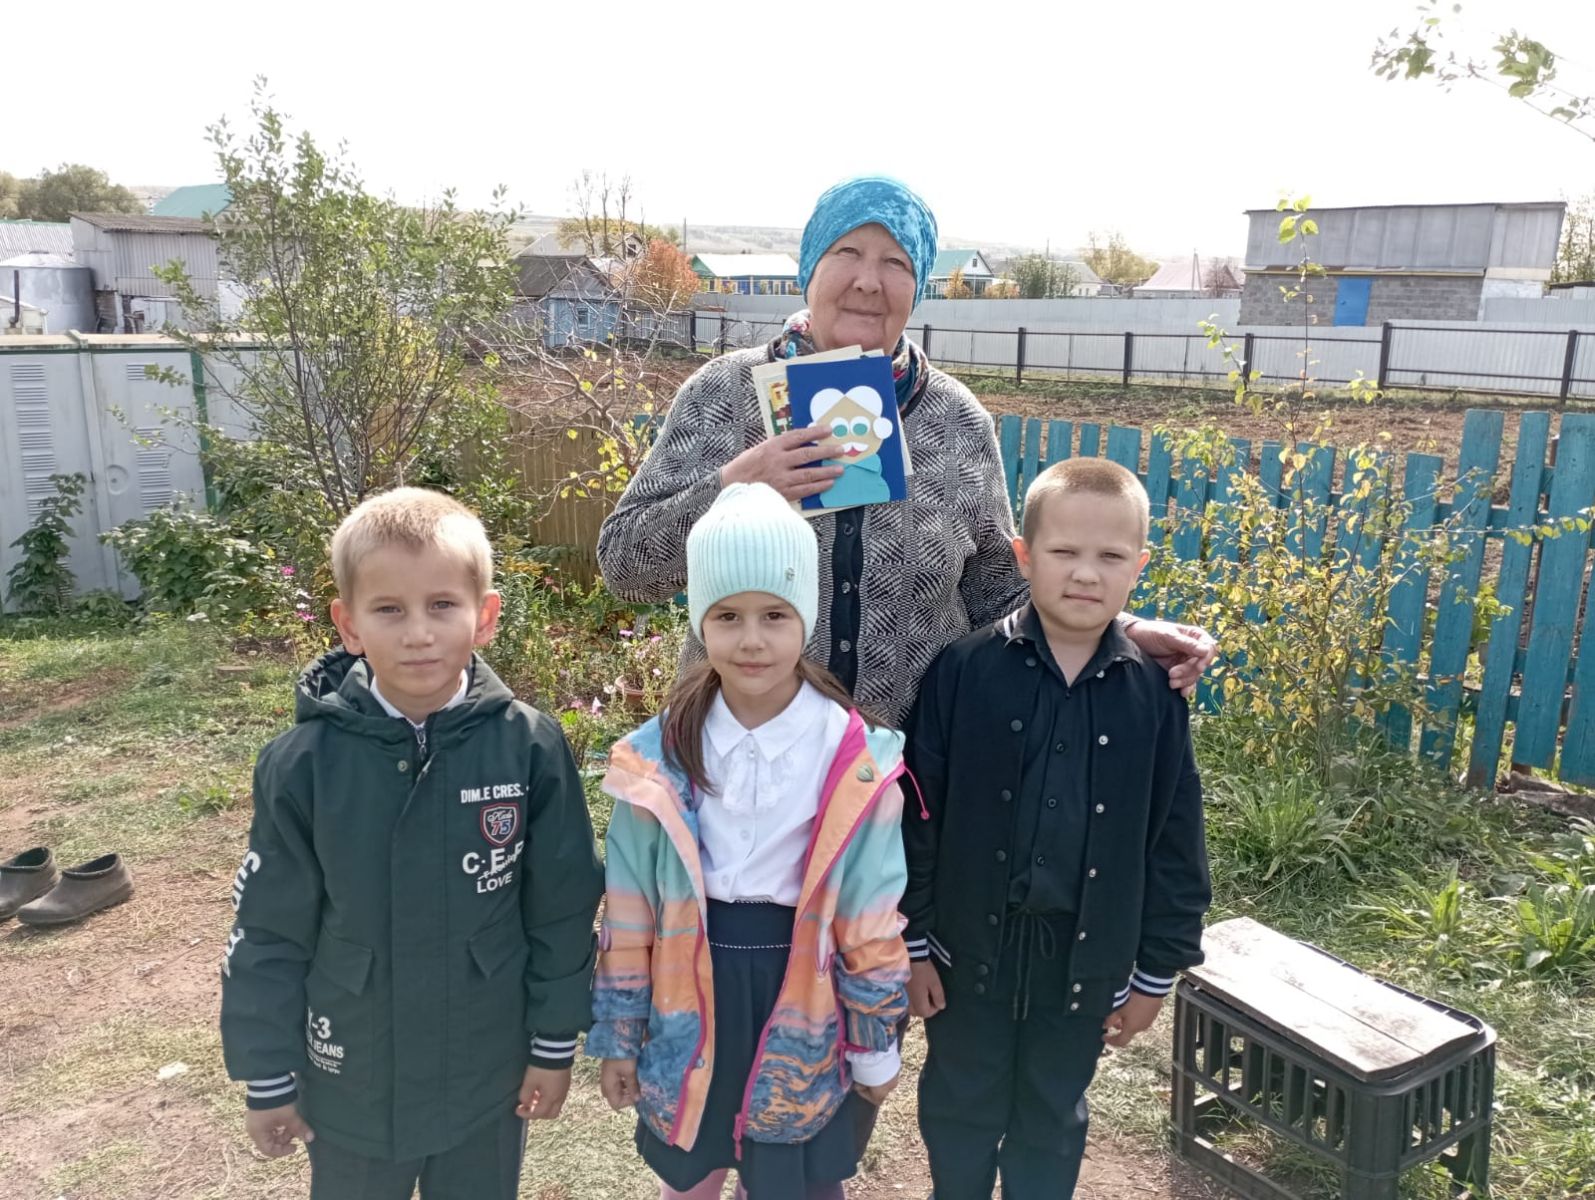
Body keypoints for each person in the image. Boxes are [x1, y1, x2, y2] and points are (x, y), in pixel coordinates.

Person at [597, 174, 1217, 735]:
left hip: (908, 776)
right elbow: (626, 570)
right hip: (737, 758)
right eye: (847, 253)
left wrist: (1122, 631)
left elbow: (1001, 596)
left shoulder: (955, 419)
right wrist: (735, 486)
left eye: (895, 262)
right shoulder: (722, 394)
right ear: (810, 268)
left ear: (917, 287)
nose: (869, 280)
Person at [219, 487, 604, 1200]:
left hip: (485, 1073)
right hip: (352, 1078)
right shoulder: (300, 765)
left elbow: (562, 905)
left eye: (442, 604)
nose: (418, 633)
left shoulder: (529, 746)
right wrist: (267, 1075)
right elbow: (268, 929)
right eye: (389, 610)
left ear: (484, 616)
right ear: (348, 624)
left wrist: (553, 1043)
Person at [589, 482, 910, 1200]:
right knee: (692, 1167)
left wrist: (873, 1037)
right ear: (700, 619)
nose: (752, 639)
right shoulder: (657, 759)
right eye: (727, 616)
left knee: (794, 1178)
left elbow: (870, 910)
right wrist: (619, 1034)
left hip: (804, 994)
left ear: (806, 618)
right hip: (689, 988)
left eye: (774, 614)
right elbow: (630, 913)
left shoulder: (853, 757)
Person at [902, 458, 1212, 1199]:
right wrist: (912, 945)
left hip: (1085, 961)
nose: (1085, 574)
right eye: (1063, 551)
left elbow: (1176, 840)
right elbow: (916, 817)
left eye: (1110, 557)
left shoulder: (1155, 696)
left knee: (1051, 1116)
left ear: (1138, 567)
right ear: (1022, 556)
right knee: (958, 1106)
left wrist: (1155, 973)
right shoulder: (962, 672)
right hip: (965, 955)